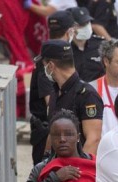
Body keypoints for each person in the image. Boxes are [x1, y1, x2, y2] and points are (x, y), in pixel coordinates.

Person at [37, 39, 104, 156]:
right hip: (57, 169)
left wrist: (80, 171)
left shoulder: (86, 95)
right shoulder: (55, 92)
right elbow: (51, 134)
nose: (43, 69)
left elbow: (93, 140)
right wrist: (45, 166)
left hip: (76, 170)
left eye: (43, 65)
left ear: (51, 65)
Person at [29, 11, 76, 166]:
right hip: (48, 133)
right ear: (70, 31)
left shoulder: (61, 56)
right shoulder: (48, 62)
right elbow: (52, 103)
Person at [68, 7, 106, 82]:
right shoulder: (66, 49)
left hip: (98, 91)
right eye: (82, 24)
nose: (86, 27)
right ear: (72, 27)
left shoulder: (101, 45)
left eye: (88, 23)